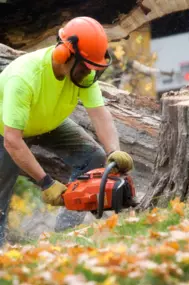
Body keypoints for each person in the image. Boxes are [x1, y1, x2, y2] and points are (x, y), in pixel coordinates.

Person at [0, 16, 137, 246]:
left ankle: (65, 235)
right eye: (85, 67)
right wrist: (46, 183)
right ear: (65, 55)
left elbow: (100, 114)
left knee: (93, 156)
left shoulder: (83, 72)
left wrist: (114, 151)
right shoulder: (24, 78)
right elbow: (13, 140)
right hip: (6, 131)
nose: (88, 73)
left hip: (47, 123)